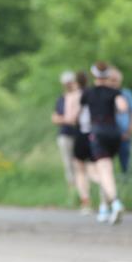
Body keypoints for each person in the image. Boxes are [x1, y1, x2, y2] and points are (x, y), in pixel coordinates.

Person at [79, 62, 129, 224]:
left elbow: (78, 115)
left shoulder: (88, 93)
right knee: (106, 170)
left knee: (103, 171)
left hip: (98, 132)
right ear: (107, 75)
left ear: (94, 75)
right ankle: (104, 208)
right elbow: (123, 107)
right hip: (114, 133)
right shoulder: (115, 92)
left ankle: (115, 202)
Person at [63, 71, 99, 214]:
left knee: (80, 170)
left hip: (81, 134)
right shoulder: (94, 93)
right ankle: (108, 196)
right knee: (96, 168)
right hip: (95, 133)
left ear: (75, 82)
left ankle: (86, 201)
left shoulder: (73, 96)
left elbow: (70, 118)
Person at [51, 71, 79, 199]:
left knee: (79, 163)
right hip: (65, 134)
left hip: (79, 135)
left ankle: (82, 190)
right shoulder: (61, 99)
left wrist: (66, 118)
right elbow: (55, 118)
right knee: (68, 163)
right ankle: (72, 191)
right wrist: (67, 119)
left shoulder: (80, 96)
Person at [108, 68, 132, 174]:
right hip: (108, 134)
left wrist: (129, 131)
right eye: (111, 80)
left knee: (125, 163)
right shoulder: (104, 94)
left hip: (124, 135)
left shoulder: (126, 94)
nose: (114, 83)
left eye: (116, 80)